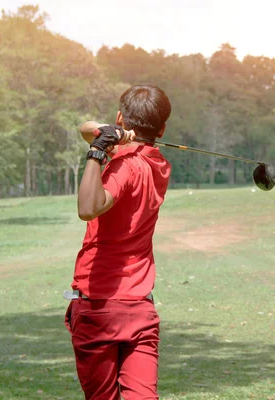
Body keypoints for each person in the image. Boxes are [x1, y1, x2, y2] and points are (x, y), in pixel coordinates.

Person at [64, 84, 172, 400]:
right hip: (140, 310)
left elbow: (88, 207)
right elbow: (85, 129)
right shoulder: (158, 163)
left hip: (97, 305)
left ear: (121, 117)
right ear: (162, 129)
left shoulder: (125, 165)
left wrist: (97, 151)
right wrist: (109, 134)